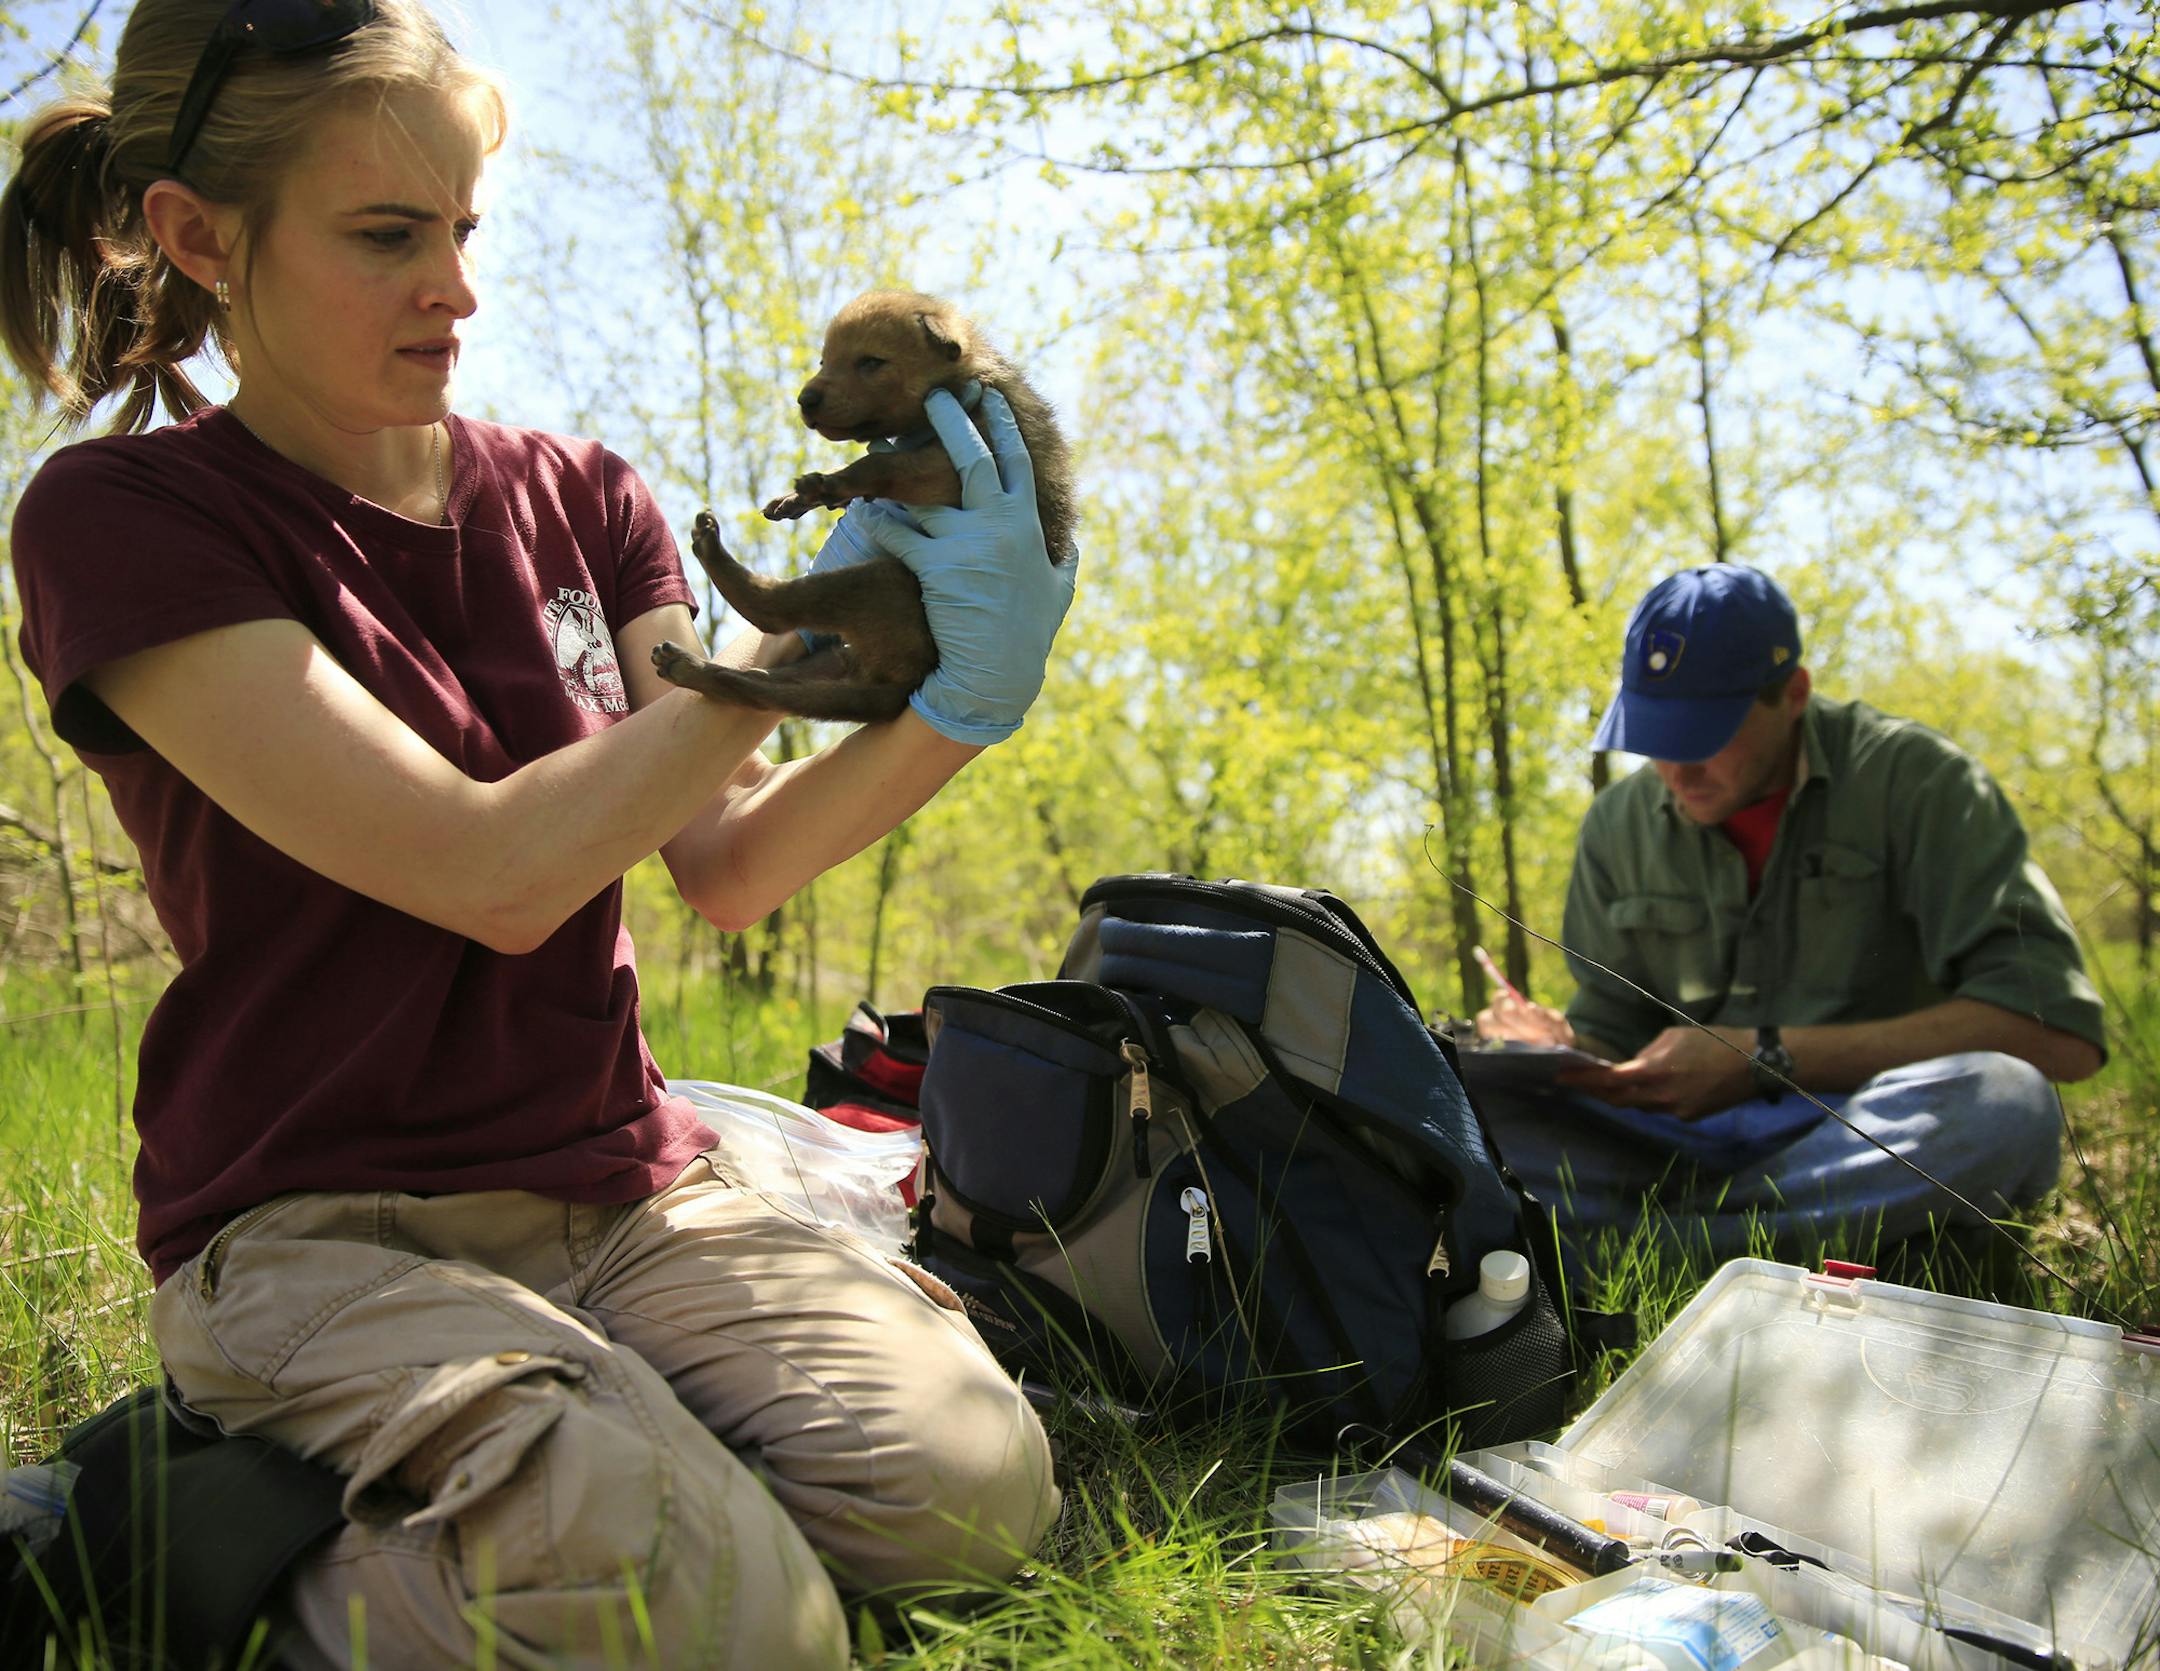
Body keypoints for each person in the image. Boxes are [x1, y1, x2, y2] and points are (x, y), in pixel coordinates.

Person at [0, 3, 1070, 1665]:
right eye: (385, 236)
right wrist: (809, 642)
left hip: (621, 1187)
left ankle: (590, 1466)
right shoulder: (127, 521)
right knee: (739, 1619)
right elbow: (488, 870)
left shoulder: (580, 497)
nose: (457, 289)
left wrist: (954, 700)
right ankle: (145, 1526)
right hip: (320, 1219)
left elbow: (728, 861)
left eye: (463, 228)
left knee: (969, 1491)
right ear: (199, 237)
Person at [1473, 563, 2104, 1267]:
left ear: (1793, 694)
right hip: (1676, 1144)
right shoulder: (1615, 826)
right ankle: (1793, 1244)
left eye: (1703, 733)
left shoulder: (1918, 780)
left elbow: (2059, 1030)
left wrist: (1766, 1057)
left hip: (1855, 1132)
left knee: (2006, 1104)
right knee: (1470, 1115)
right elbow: (1616, 1026)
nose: (1676, 769)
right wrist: (1562, 1046)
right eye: (1654, 734)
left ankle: (1648, 1260)